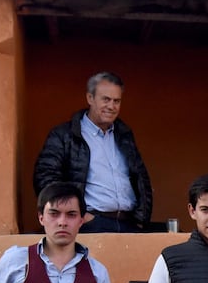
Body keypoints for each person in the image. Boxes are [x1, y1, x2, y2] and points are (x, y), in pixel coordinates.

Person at [33, 72, 153, 233]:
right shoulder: (65, 135)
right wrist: (80, 215)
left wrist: (141, 218)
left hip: (129, 224)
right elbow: (46, 178)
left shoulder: (124, 135)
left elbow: (142, 179)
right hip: (90, 224)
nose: (111, 106)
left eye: (116, 101)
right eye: (106, 99)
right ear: (90, 98)